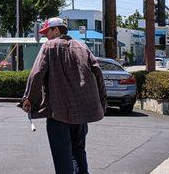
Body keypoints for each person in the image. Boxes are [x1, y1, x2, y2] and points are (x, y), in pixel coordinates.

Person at [21, 17, 107, 174]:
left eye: (47, 32)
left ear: (57, 30)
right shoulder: (82, 47)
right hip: (81, 114)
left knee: (62, 157)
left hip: (58, 113)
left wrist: (29, 99)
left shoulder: (49, 46)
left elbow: (37, 74)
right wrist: (102, 103)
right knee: (79, 152)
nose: (46, 36)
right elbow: (98, 73)